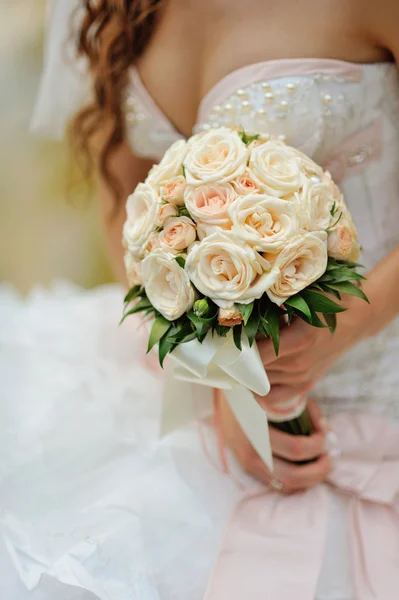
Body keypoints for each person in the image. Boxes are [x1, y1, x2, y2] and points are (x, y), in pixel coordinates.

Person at [1, 0, 399, 598]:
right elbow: (122, 199)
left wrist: (348, 324)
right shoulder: (111, 11)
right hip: (215, 405)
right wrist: (222, 382)